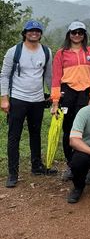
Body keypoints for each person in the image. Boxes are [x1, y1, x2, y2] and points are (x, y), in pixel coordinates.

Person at [1, 20, 55, 187]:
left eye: (37, 31)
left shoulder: (46, 51)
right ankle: (13, 173)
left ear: (40, 34)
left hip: (38, 100)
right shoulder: (14, 51)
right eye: (31, 31)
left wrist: (52, 95)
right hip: (17, 98)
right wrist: (4, 98)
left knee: (35, 133)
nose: (34, 33)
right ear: (24, 33)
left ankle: (36, 166)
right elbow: (4, 75)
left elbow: (48, 76)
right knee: (14, 136)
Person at [51, 21, 90, 180]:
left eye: (80, 32)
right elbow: (56, 78)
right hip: (68, 93)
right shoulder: (61, 53)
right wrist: (55, 101)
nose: (77, 35)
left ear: (84, 35)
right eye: (74, 32)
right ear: (69, 34)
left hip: (85, 94)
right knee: (68, 130)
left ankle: (87, 168)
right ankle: (71, 165)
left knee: (86, 130)